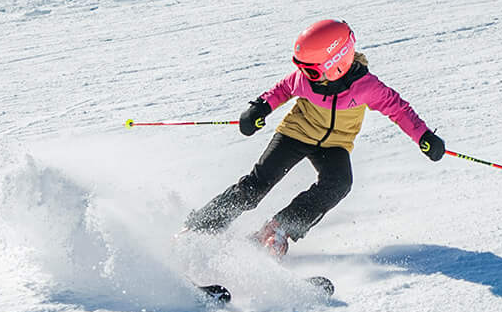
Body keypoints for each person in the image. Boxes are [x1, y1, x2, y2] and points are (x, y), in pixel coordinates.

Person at [184, 18, 444, 254]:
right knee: (257, 183)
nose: (305, 76)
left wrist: (423, 136)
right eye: (303, 69)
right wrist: (259, 108)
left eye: (312, 70)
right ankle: (200, 227)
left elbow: (398, 109)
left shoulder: (366, 87)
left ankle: (279, 228)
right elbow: (283, 89)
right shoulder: (306, 80)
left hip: (335, 144)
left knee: (339, 183)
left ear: (335, 64)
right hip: (296, 133)